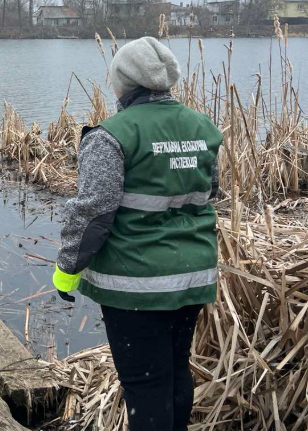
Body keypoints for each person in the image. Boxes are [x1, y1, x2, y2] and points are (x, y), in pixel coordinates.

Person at [52, 37, 222, 431]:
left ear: (124, 83)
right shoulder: (203, 128)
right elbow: (210, 191)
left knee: (144, 385)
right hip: (193, 278)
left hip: (136, 287)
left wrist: (67, 270)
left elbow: (92, 214)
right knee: (177, 371)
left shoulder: (111, 135)